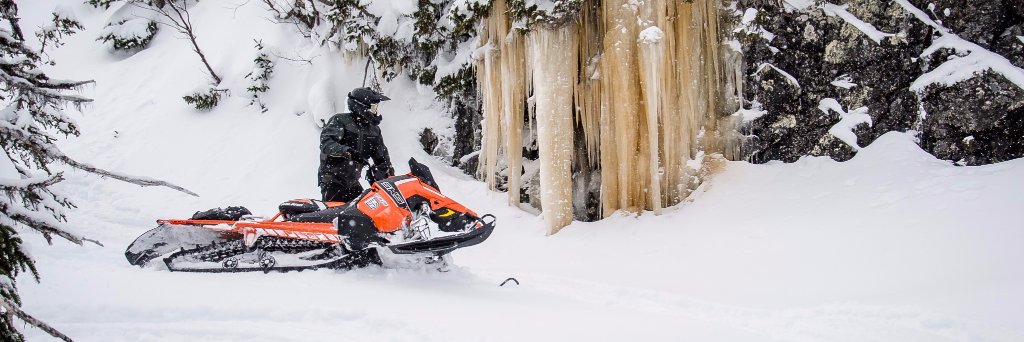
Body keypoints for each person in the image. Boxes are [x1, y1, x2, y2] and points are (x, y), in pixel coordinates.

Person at [319, 87, 395, 202]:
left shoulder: (374, 131)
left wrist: (388, 175)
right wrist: (347, 151)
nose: (374, 111)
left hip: (353, 182)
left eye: (376, 108)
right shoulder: (340, 120)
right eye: (372, 107)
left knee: (364, 211)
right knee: (336, 214)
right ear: (361, 107)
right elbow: (326, 143)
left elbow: (382, 156)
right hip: (332, 178)